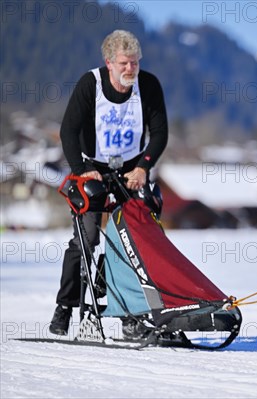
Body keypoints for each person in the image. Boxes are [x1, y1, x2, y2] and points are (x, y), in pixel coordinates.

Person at [50, 30, 168, 338]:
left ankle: (128, 306)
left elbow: (159, 133)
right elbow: (68, 132)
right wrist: (81, 171)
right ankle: (65, 306)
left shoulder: (149, 86)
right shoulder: (91, 84)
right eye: (124, 63)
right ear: (109, 63)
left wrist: (144, 167)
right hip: (93, 169)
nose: (131, 69)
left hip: (131, 170)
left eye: (135, 63)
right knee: (86, 240)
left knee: (136, 239)